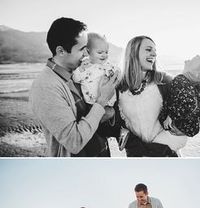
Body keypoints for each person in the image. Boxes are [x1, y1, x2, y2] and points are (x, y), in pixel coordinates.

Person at [30, 17, 119, 157]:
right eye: (82, 49)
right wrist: (102, 101)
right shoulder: (45, 87)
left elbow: (92, 118)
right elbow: (74, 142)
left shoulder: (80, 73)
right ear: (61, 51)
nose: (86, 54)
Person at [118, 37, 187, 157]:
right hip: (136, 157)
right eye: (148, 49)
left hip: (166, 155)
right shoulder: (118, 86)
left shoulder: (164, 81)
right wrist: (133, 145)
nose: (154, 54)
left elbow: (186, 107)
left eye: (155, 51)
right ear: (133, 52)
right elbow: (116, 125)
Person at [157, 55, 200, 141]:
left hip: (168, 131)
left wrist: (171, 116)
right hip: (176, 133)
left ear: (198, 74)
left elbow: (189, 103)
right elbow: (194, 128)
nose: (197, 55)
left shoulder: (181, 81)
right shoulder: (191, 89)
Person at [73, 33, 118, 108]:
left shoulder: (107, 64)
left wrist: (116, 73)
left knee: (111, 113)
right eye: (100, 52)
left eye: (106, 52)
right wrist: (81, 69)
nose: (104, 55)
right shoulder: (85, 66)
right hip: (92, 103)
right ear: (88, 51)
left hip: (109, 101)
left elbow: (116, 72)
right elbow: (76, 78)